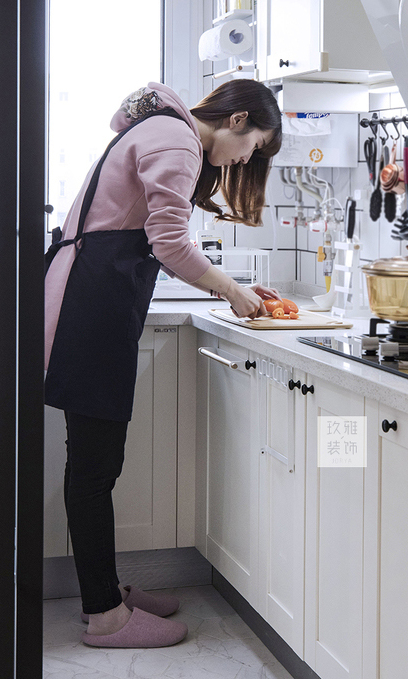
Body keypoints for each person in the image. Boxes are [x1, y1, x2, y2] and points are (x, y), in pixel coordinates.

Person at [44, 79, 282, 649]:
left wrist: (228, 286)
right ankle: (104, 616)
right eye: (253, 147)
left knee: (98, 463)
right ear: (237, 119)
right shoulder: (176, 141)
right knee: (96, 467)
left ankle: (107, 592)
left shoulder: (159, 128)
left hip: (89, 295)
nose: (245, 159)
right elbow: (170, 242)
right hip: (91, 301)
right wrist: (232, 291)